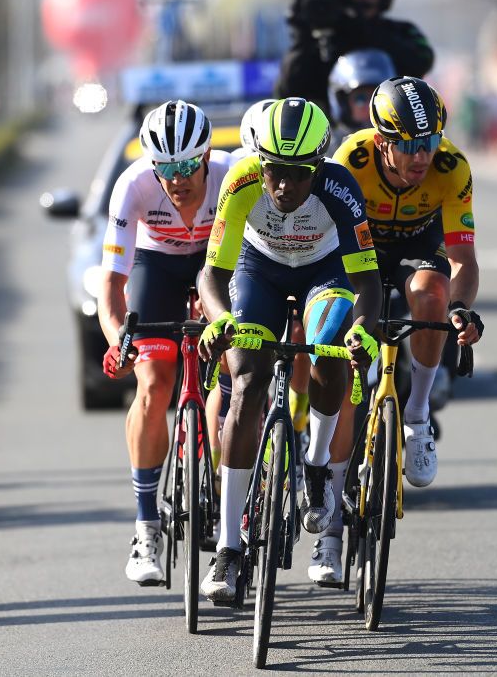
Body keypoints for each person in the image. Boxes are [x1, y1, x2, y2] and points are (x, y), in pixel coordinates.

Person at [196, 97, 383, 602]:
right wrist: (222, 321)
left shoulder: (341, 187)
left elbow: (368, 281)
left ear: (317, 167)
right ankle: (229, 550)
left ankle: (318, 467)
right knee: (248, 383)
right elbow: (212, 274)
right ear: (260, 162)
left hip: (327, 271)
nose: (283, 186)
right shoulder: (240, 180)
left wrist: (363, 330)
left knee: (328, 349)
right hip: (258, 270)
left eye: (298, 174)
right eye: (274, 172)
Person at [308, 76, 484, 586]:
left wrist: (460, 308)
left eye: (428, 143)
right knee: (338, 366)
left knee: (431, 296)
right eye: (407, 145)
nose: (420, 156)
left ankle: (416, 415)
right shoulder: (352, 160)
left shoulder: (452, 168)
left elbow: (463, 259)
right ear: (382, 140)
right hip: (356, 250)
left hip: (417, 243)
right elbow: (323, 247)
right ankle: (330, 534)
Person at [97, 100, 234, 586]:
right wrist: (119, 342)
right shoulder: (133, 185)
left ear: (205, 156)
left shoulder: (233, 174)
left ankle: (229, 504)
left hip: (217, 266)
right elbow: (111, 288)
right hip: (156, 266)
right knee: (153, 384)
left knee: (234, 378)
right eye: (165, 168)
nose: (175, 178)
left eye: (185, 166)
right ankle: (146, 526)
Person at [274, 0, 434, 115]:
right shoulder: (324, 37)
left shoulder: (401, 31)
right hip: (330, 136)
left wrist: (362, 29)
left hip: (391, 132)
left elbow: (423, 60)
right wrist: (303, 35)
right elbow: (287, 93)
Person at [327, 48, 396, 143]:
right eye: (360, 99)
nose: (370, 106)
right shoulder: (330, 150)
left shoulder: (405, 145)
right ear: (343, 104)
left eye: (378, 98)